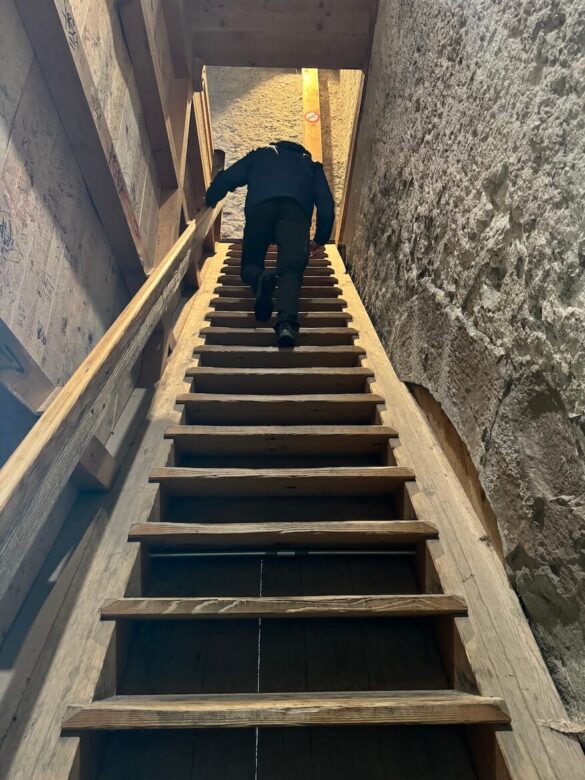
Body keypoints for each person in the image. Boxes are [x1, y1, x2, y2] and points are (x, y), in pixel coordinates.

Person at [205, 140, 335, 348]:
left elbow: (230, 177)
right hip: (295, 213)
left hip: (260, 210)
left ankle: (260, 278)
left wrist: (210, 198)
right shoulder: (311, 166)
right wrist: (320, 239)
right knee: (291, 270)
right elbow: (326, 205)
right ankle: (286, 326)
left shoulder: (261, 154)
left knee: (250, 264)